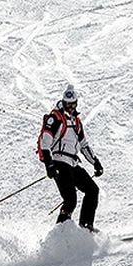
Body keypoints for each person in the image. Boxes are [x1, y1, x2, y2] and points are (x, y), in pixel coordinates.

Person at [36, 86, 103, 231]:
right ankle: (59, 235)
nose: (71, 107)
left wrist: (95, 162)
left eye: (73, 104)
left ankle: (86, 227)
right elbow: (45, 141)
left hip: (72, 163)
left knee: (92, 190)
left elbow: (83, 145)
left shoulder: (76, 122)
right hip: (59, 162)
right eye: (68, 104)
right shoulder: (55, 118)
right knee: (71, 199)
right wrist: (49, 164)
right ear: (64, 102)